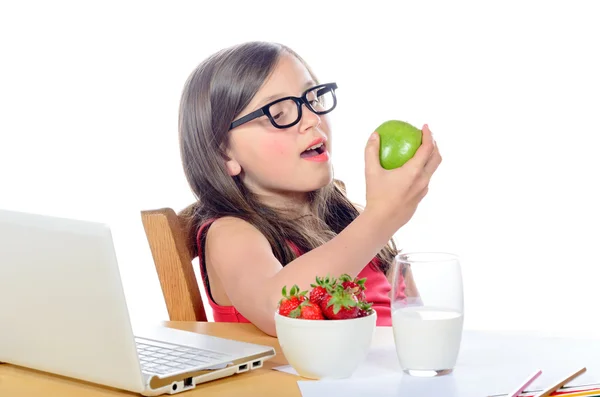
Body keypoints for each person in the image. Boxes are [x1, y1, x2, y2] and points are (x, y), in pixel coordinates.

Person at [177, 41, 441, 336]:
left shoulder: (348, 218)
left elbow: (416, 326)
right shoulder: (231, 232)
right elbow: (277, 308)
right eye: (278, 114)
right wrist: (381, 218)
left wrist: (379, 220)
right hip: (291, 384)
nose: (313, 120)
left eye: (313, 99)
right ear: (224, 153)